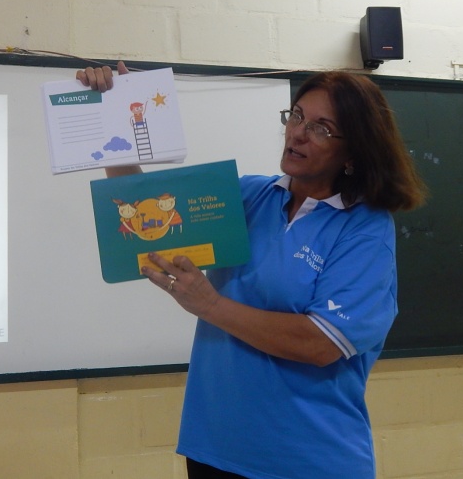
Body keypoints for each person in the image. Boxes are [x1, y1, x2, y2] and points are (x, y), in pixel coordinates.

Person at [77, 62, 427, 479]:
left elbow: (320, 344)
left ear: (353, 151)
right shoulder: (249, 195)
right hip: (215, 449)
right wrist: (115, 109)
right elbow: (145, 220)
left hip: (304, 461)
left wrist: (211, 305)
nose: (298, 133)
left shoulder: (364, 228)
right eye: (296, 116)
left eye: (321, 128)